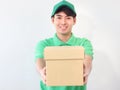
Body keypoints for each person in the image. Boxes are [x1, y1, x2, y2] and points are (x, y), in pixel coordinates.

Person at [35, 0, 93, 90]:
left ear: (74, 20)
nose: (63, 22)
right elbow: (39, 60)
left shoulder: (83, 43)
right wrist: (42, 71)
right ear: (53, 20)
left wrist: (86, 69)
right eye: (59, 17)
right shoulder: (44, 45)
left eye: (68, 18)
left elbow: (88, 60)